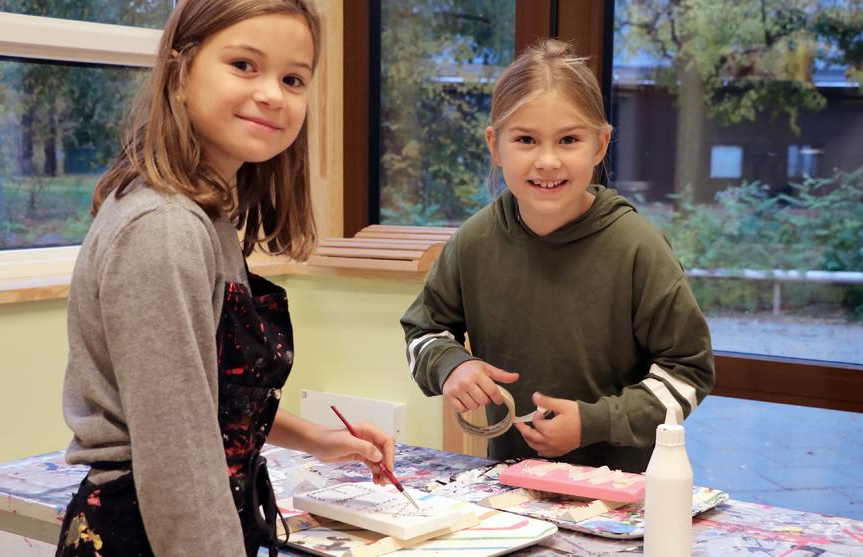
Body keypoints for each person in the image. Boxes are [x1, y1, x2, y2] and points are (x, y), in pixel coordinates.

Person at [56, 1, 394, 555]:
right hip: (147, 532)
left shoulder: (203, 216)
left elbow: (203, 395)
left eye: (293, 79)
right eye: (243, 65)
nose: (271, 93)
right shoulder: (163, 228)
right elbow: (178, 457)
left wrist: (316, 439)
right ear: (180, 70)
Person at [401, 39, 714, 473]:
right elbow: (423, 331)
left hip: (621, 500)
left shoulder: (638, 247)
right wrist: (450, 366)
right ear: (495, 145)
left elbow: (688, 374)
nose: (547, 161)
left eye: (568, 140)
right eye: (526, 139)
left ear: (600, 145)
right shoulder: (472, 242)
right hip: (509, 490)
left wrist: (594, 421)